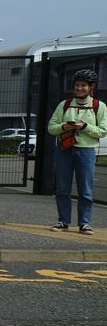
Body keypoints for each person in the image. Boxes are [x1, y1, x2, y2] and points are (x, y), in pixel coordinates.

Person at [47, 68, 104, 234]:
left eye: (84, 85)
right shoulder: (64, 105)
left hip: (86, 151)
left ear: (91, 87)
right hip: (65, 148)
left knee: (85, 189)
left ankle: (84, 223)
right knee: (62, 187)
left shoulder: (98, 106)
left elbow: (103, 130)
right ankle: (63, 221)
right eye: (77, 85)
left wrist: (84, 127)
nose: (79, 88)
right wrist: (64, 126)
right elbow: (51, 128)